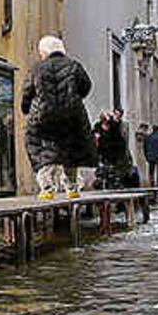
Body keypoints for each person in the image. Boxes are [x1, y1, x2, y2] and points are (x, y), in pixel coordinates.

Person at [20, 35, 95, 200]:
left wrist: (26, 108)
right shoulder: (74, 66)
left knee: (41, 150)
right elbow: (86, 86)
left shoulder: (37, 68)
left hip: (43, 116)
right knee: (70, 151)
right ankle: (72, 188)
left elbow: (27, 92)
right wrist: (74, 99)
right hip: (71, 116)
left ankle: (47, 188)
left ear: (44, 51)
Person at [94, 111, 130, 189]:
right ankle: (103, 180)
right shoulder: (98, 126)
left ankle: (115, 181)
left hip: (114, 150)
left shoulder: (113, 126)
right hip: (103, 150)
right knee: (104, 167)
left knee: (114, 168)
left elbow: (118, 136)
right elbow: (95, 135)